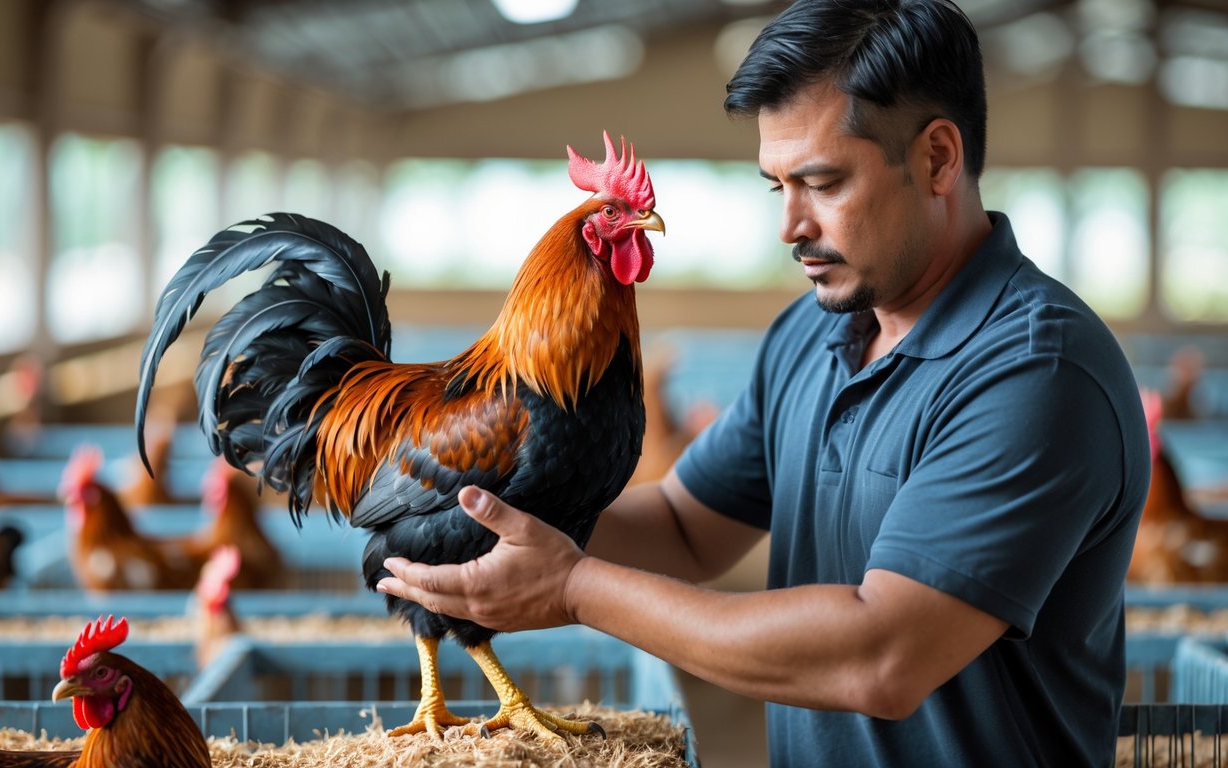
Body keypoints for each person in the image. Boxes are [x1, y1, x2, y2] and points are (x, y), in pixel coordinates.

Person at [376, 0, 1151, 764]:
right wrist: (479, 518)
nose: (790, 226)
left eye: (822, 183)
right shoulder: (810, 332)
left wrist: (573, 586)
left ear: (937, 159)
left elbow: (880, 658)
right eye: (776, 186)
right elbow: (685, 525)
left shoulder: (1035, 374)